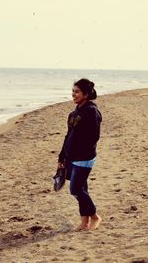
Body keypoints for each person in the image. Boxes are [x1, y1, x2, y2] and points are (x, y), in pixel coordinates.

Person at [58, 78, 103, 231]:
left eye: (77, 92)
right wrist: (62, 157)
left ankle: (95, 217)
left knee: (75, 190)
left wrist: (80, 152)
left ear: (86, 94)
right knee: (82, 189)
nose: (73, 94)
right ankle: (84, 221)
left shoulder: (92, 111)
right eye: (73, 91)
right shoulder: (73, 113)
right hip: (72, 157)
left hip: (84, 158)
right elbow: (68, 136)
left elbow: (94, 137)